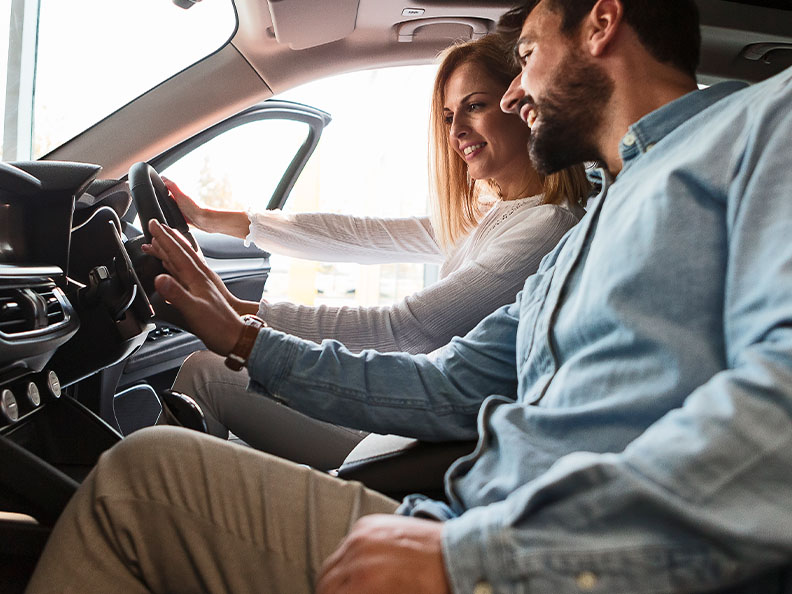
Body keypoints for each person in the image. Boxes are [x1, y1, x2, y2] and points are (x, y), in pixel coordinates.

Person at [27, 1, 792, 593]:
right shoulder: (592, 224)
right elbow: (447, 384)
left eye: (525, 57)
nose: (518, 90)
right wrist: (244, 340)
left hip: (524, 553)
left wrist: (479, 559)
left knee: (144, 481)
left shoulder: (762, 126)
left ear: (601, 21)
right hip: (469, 522)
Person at [165, 34, 590, 468]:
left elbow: (405, 331)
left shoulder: (547, 226)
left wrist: (239, 312)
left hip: (406, 435)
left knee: (205, 374)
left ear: (523, 103)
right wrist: (208, 219)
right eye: (447, 116)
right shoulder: (491, 215)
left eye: (474, 105)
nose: (456, 130)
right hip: (401, 419)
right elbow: (358, 235)